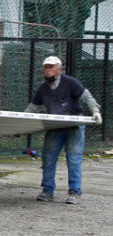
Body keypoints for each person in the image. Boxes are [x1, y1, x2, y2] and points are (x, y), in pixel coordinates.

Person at [25, 56, 102, 205]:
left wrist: (95, 111)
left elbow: (87, 97)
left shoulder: (70, 83)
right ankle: (47, 190)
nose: (48, 70)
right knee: (48, 157)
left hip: (74, 125)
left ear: (59, 70)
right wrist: (20, 123)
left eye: (51, 67)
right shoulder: (43, 89)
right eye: (46, 67)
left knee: (73, 158)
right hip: (55, 126)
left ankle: (74, 192)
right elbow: (32, 108)